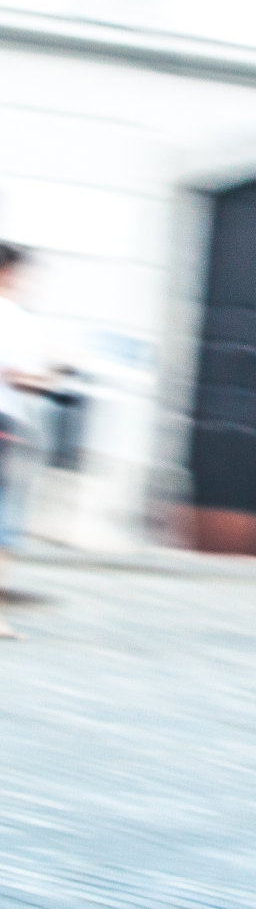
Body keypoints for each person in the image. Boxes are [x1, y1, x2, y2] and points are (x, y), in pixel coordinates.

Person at [0, 242, 49, 636]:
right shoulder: (13, 318)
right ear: (10, 273)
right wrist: (54, 376)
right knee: (4, 519)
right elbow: (19, 375)